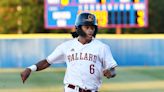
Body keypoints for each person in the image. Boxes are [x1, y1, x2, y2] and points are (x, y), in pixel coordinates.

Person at [21, 12, 118, 92]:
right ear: (78, 28)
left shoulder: (102, 47)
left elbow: (112, 69)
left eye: (92, 27)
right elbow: (47, 61)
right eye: (86, 27)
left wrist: (110, 73)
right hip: (71, 89)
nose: (90, 30)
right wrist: (30, 69)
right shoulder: (66, 46)